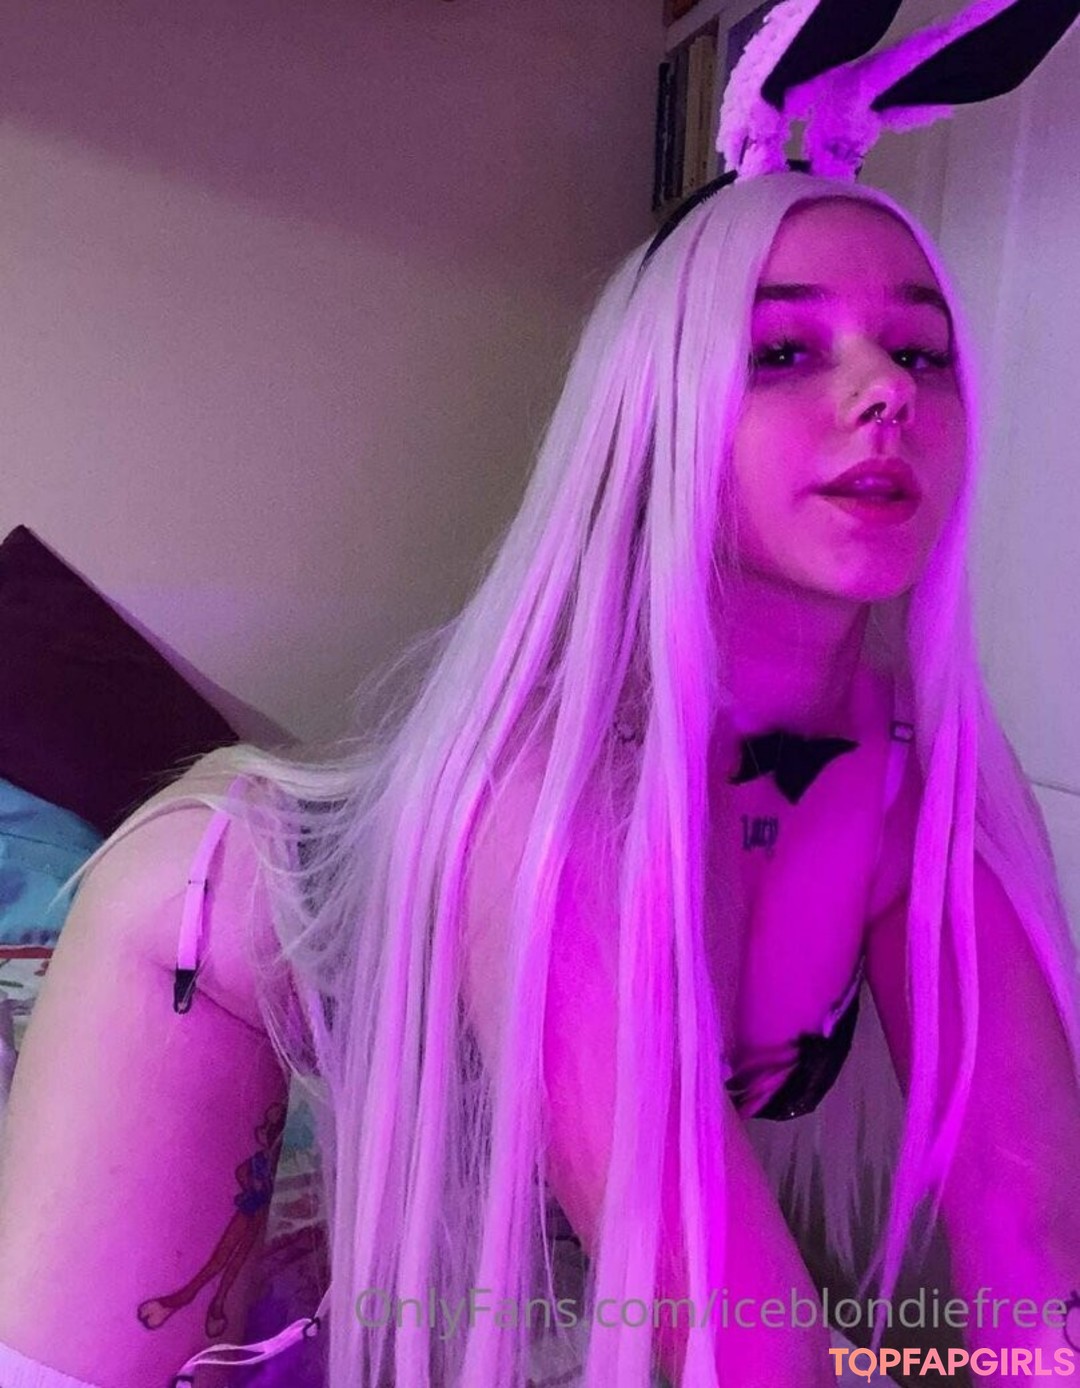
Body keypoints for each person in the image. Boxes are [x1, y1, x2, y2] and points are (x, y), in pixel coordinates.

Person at [1, 2, 1079, 1386]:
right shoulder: (554, 797)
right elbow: (718, 1326)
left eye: (920, 352)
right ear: (656, 411)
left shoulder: (923, 794)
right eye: (782, 351)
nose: (886, 395)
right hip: (203, 960)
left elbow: (1033, 1256)